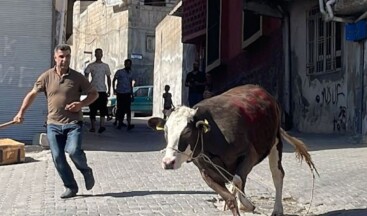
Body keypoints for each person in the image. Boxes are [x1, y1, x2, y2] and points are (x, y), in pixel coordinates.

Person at [13, 44, 99, 199]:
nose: (64, 60)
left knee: (73, 151)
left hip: (73, 124)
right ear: (55, 57)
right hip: (53, 125)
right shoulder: (46, 77)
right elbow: (32, 93)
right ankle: (70, 187)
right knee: (58, 157)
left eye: (67, 56)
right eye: (61, 56)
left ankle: (86, 170)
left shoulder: (78, 77)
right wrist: (20, 113)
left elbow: (94, 94)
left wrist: (81, 104)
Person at [84, 48, 111, 133]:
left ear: (102, 55)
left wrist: (109, 89)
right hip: (93, 90)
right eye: (97, 53)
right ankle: (93, 127)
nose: (99, 55)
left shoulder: (105, 66)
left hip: (102, 90)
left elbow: (108, 77)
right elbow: (86, 76)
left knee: (103, 108)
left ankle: (102, 125)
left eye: (100, 53)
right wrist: (86, 87)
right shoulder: (91, 65)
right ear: (95, 54)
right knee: (92, 108)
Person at [112, 59, 135, 130]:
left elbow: (131, 83)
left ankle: (129, 124)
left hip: (127, 93)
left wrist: (132, 94)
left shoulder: (131, 73)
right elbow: (114, 80)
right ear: (124, 64)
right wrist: (114, 89)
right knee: (120, 109)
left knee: (128, 109)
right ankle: (119, 123)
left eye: (129, 64)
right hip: (120, 93)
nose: (128, 65)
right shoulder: (119, 72)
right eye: (127, 64)